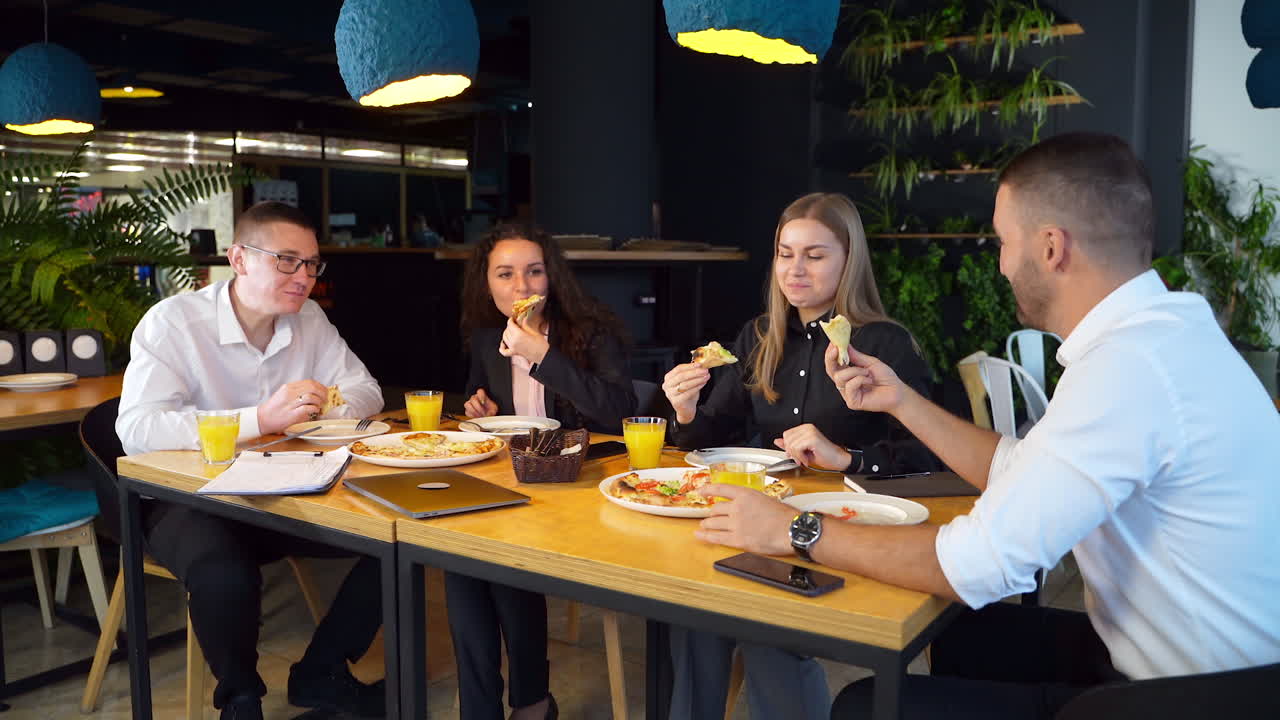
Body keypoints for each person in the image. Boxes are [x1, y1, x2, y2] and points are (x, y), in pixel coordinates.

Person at [690, 133, 1280, 719]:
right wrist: (900, 402)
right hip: (1210, 666)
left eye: (1002, 242)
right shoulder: (1159, 338)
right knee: (967, 635)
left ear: (1051, 247)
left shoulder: (1129, 370)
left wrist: (794, 531)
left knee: (865, 707)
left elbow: (979, 566)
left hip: (1208, 698)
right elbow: (1015, 467)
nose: (998, 263)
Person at [660, 192, 935, 720]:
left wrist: (847, 457)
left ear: (848, 258)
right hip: (758, 518)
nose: (796, 269)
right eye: (786, 253)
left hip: (842, 531)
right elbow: (709, 437)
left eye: (815, 255)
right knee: (691, 610)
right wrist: (687, 411)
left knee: (766, 630)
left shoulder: (886, 344)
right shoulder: (760, 335)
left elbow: (930, 456)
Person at [117, 202, 387, 720]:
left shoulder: (309, 318)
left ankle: (322, 672)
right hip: (191, 501)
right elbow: (137, 432)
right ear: (238, 258)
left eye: (311, 264)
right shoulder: (174, 323)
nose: (303, 276)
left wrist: (327, 403)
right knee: (225, 574)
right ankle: (241, 702)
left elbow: (365, 389)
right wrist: (257, 418)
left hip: (283, 489)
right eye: (287, 260)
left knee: (397, 545)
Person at [450, 223, 636, 720]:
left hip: (584, 485)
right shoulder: (489, 337)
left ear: (552, 277)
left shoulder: (590, 330)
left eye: (534, 272)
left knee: (503, 552)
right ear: (486, 283)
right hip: (516, 480)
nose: (522, 287)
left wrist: (544, 358)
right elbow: (486, 408)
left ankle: (531, 702)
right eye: (505, 274)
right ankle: (483, 711)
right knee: (458, 557)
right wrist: (478, 408)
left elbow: (619, 413)